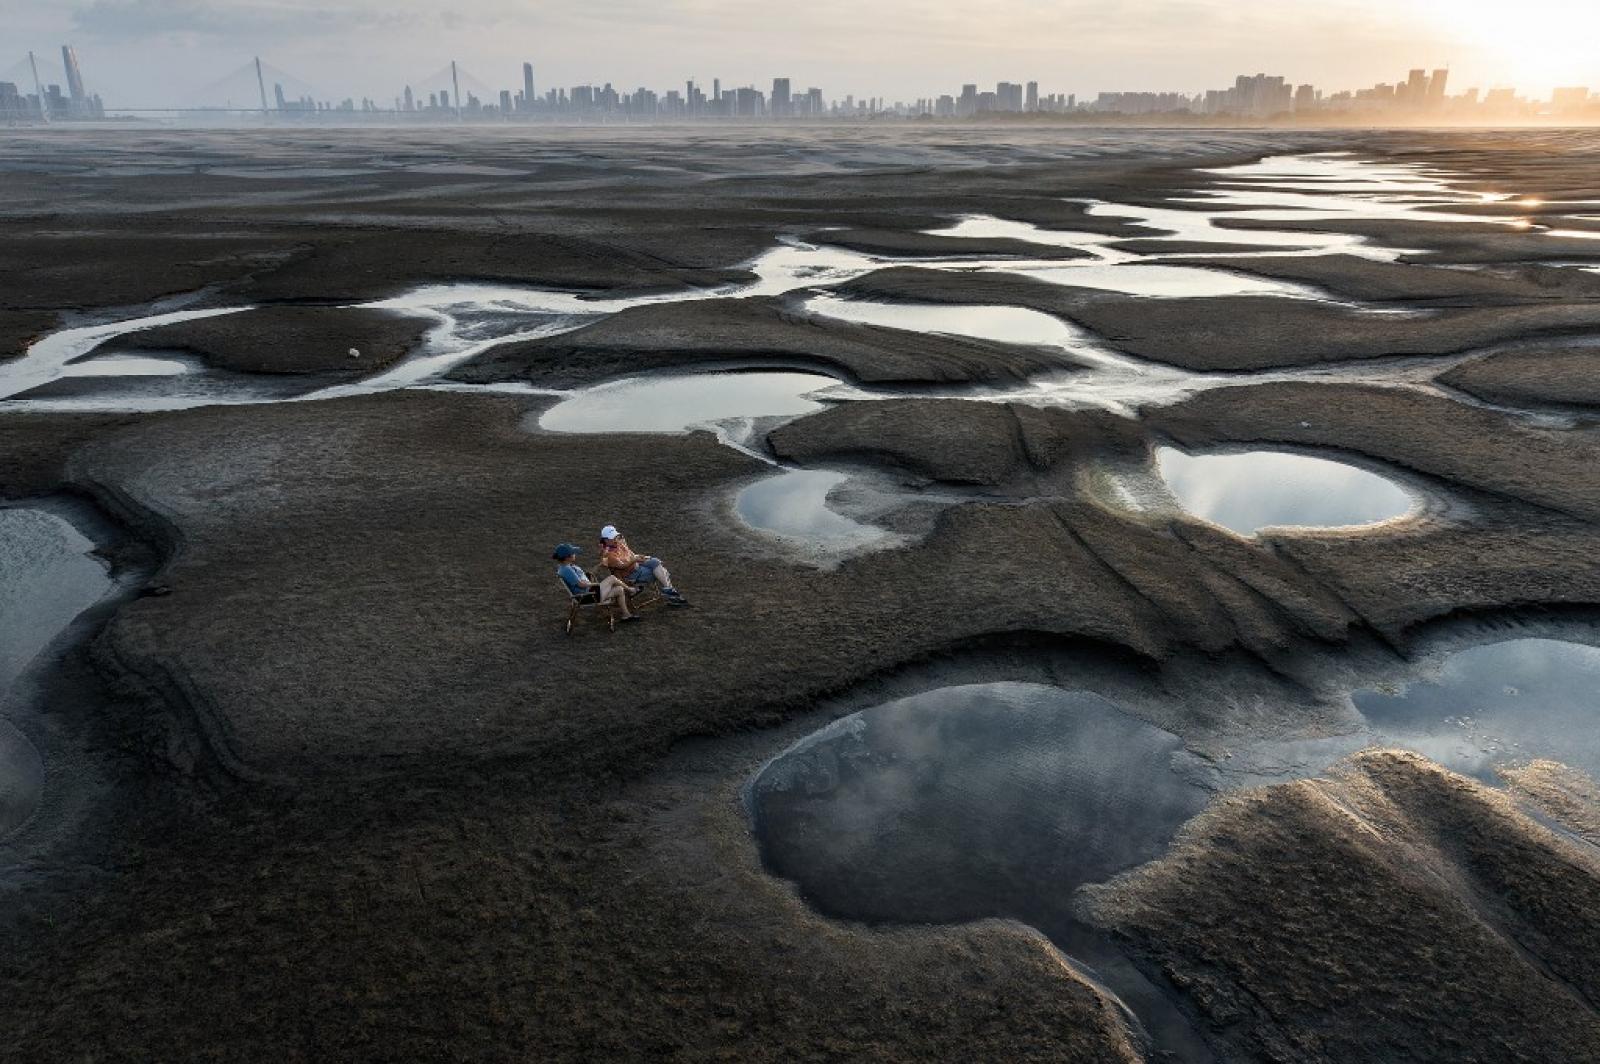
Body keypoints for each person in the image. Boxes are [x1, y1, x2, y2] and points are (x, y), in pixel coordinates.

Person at [598, 524, 691, 607]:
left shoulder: (619, 544)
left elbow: (632, 555)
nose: (615, 539)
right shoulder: (608, 554)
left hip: (637, 566)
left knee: (655, 562)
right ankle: (671, 593)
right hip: (631, 574)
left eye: (615, 536)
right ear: (606, 540)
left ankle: (669, 591)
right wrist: (634, 560)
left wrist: (644, 557)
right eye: (612, 537)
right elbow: (622, 566)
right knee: (662, 571)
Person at [553, 542, 638, 622]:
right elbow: (581, 585)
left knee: (619, 589)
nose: (575, 554)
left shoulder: (567, 566)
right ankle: (631, 590)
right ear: (567, 557)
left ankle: (626, 615)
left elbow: (587, 575)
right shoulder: (567, 570)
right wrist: (598, 585)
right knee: (612, 578)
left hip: (590, 592)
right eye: (573, 553)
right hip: (587, 596)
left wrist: (600, 564)